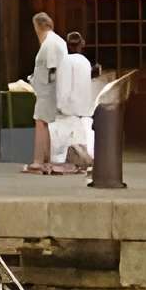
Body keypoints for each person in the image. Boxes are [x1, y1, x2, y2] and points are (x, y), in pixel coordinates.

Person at [47, 31, 96, 175]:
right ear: (82, 44)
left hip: (68, 111)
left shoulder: (65, 61)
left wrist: (60, 106)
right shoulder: (85, 62)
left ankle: (68, 158)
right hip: (83, 110)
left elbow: (63, 88)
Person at [24, 10, 67, 174]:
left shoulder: (50, 42)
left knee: (40, 122)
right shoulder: (56, 41)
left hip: (48, 89)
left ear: (38, 26)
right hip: (48, 87)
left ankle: (38, 160)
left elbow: (51, 68)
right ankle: (46, 159)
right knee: (45, 123)